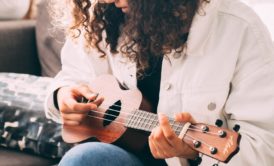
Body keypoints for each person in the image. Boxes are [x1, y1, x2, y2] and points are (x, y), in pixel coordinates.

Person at [45, 0, 274, 165]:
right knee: (86, 158)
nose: (108, 0)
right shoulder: (106, 16)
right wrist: (63, 95)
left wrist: (193, 154)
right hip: (126, 156)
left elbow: (265, 145)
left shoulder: (239, 29)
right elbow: (73, 75)